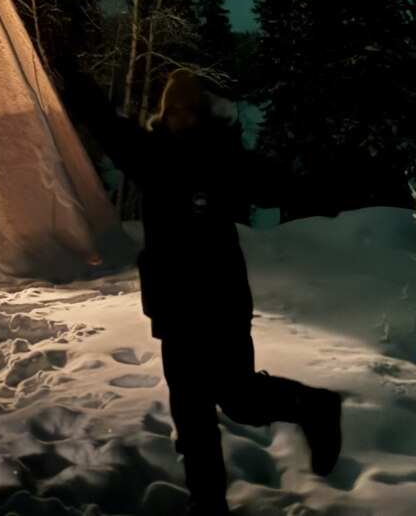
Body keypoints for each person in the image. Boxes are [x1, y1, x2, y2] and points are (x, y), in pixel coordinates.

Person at [61, 64, 342, 516]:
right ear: (165, 114)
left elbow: (274, 182)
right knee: (192, 415)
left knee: (239, 398)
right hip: (174, 309)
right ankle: (208, 504)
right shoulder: (150, 156)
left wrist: (322, 190)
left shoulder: (222, 158)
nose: (182, 119)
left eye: (190, 111)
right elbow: (106, 124)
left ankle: (314, 406)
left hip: (221, 303)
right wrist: (74, 79)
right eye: (174, 111)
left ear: (202, 113)